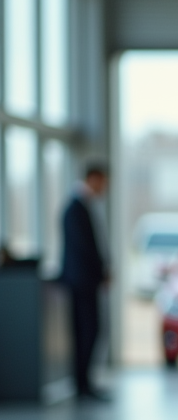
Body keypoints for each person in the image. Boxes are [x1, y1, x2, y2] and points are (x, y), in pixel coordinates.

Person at [60, 164, 110, 401]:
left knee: (90, 331)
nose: (105, 188)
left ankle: (85, 384)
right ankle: (82, 385)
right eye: (103, 182)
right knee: (87, 331)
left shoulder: (84, 207)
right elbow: (84, 248)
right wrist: (101, 271)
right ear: (93, 179)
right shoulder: (75, 209)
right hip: (82, 282)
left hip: (86, 280)